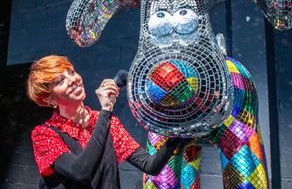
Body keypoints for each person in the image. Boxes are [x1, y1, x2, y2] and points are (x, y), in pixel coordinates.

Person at [26, 55, 179, 189]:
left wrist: (178, 133)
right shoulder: (44, 134)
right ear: (49, 99)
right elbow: (80, 172)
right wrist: (106, 110)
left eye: (71, 72)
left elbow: (149, 165)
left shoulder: (107, 122)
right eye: (60, 80)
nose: (73, 80)